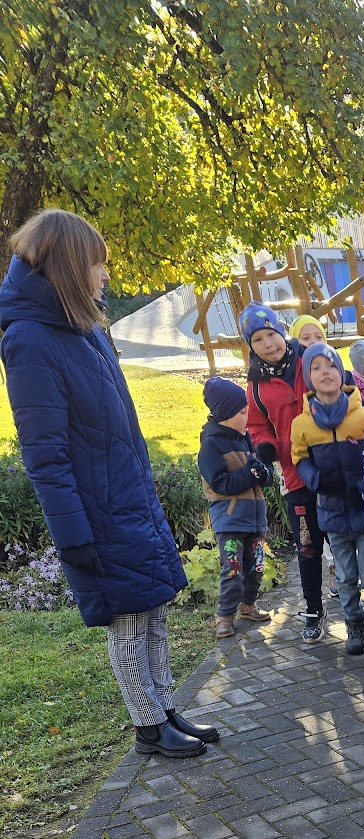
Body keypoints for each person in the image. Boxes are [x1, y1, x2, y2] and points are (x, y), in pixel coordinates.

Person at [0, 208, 215, 759]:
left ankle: (166, 708)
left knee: (153, 607)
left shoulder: (84, 327)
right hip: (97, 511)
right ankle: (148, 727)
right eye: (97, 264)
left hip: (127, 498)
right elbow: (44, 456)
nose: (106, 275)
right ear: (70, 267)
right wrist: (74, 536)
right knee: (128, 620)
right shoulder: (29, 341)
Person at [242, 302, 328, 643]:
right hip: (296, 476)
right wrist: (265, 448)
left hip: (332, 465)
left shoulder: (310, 359)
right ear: (251, 346)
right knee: (307, 546)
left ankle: (360, 608)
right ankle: (313, 608)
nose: (268, 344)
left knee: (348, 541)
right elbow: (257, 425)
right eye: (258, 339)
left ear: (282, 332)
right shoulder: (256, 386)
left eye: (271, 334)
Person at [290, 343, 364, 656]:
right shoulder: (302, 424)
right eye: (316, 368)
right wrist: (316, 480)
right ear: (308, 377)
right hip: (331, 512)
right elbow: (299, 458)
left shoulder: (363, 417)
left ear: (342, 374)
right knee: (345, 576)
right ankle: (354, 623)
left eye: (331, 366)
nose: (325, 373)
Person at [197, 377, 273, 640]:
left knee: (257, 567)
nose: (247, 417)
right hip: (230, 521)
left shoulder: (245, 438)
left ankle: (248, 605)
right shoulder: (211, 444)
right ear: (225, 415)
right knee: (232, 569)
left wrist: (263, 472)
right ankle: (224, 616)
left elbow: (263, 475)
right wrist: (249, 474)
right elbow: (220, 483)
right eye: (241, 412)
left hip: (255, 518)